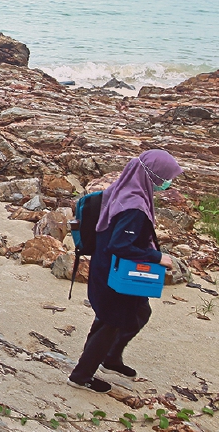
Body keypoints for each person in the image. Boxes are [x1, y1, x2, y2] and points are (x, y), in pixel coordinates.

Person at [68, 149, 181, 393]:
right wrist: (158, 257)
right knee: (111, 321)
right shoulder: (135, 207)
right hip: (115, 273)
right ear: (153, 177)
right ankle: (81, 375)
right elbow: (120, 244)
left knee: (139, 311)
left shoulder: (121, 190)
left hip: (103, 265)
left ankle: (111, 358)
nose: (169, 184)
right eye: (166, 178)